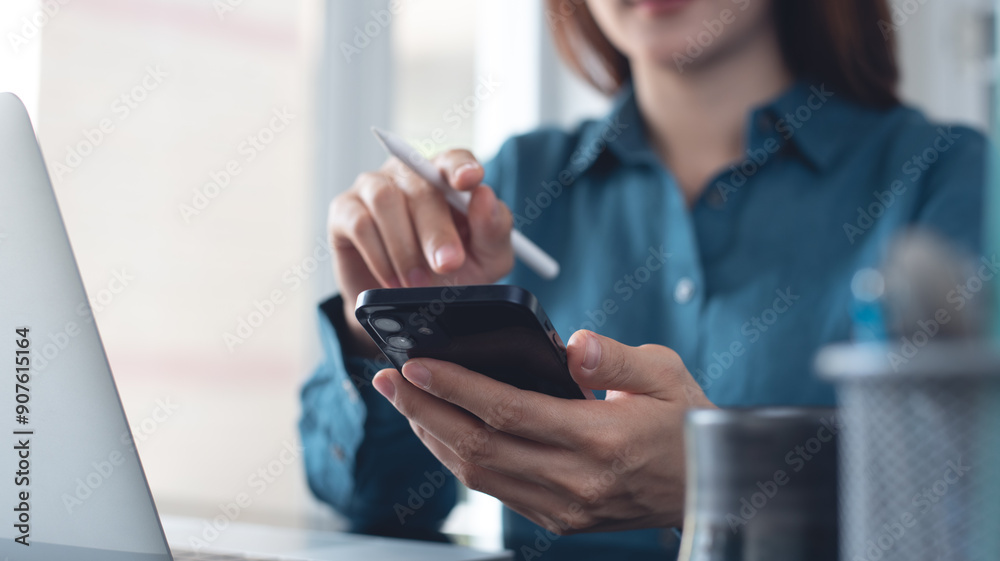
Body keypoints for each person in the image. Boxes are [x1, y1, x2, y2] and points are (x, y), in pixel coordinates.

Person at [299, 0, 985, 559]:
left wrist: (718, 479)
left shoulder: (948, 181)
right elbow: (374, 501)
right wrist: (387, 332)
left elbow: (972, 501)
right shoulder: (508, 192)